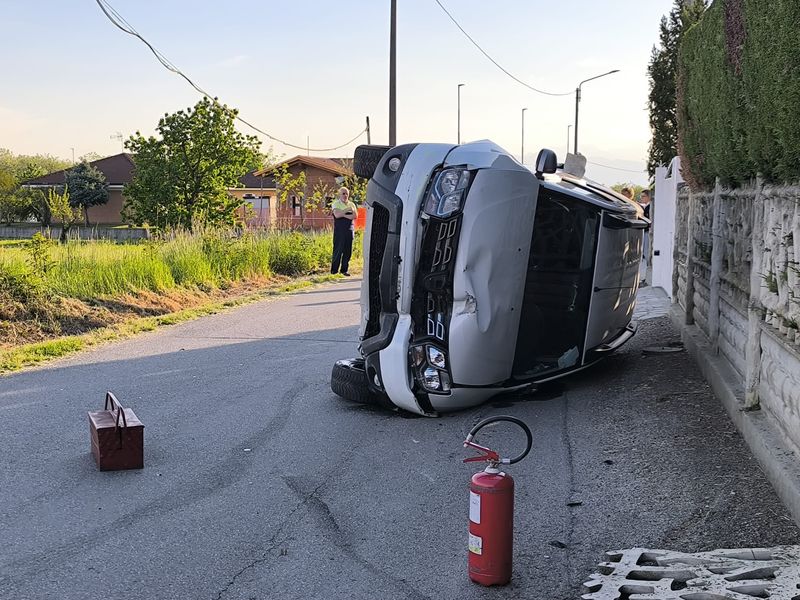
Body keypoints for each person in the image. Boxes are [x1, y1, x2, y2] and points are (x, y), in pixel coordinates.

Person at [330, 186, 357, 276]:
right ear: (339, 195)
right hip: (339, 231)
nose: (345, 195)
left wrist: (343, 213)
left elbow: (355, 216)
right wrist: (348, 211)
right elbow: (337, 215)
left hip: (349, 230)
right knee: (338, 250)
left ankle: (344, 270)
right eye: (343, 193)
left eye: (347, 194)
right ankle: (334, 271)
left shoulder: (352, 204)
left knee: (347, 251)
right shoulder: (336, 204)